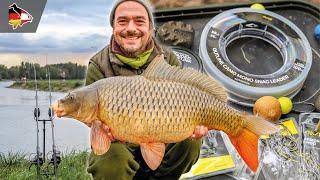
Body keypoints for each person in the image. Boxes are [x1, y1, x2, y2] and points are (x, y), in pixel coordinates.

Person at [85, 0, 208, 179]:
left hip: (162, 134)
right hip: (120, 141)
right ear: (113, 28)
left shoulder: (167, 58)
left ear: (150, 28)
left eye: (139, 21)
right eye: (122, 21)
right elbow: (94, 121)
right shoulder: (98, 65)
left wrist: (197, 125)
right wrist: (101, 130)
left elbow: (186, 96)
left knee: (190, 144)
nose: (131, 28)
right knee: (110, 159)